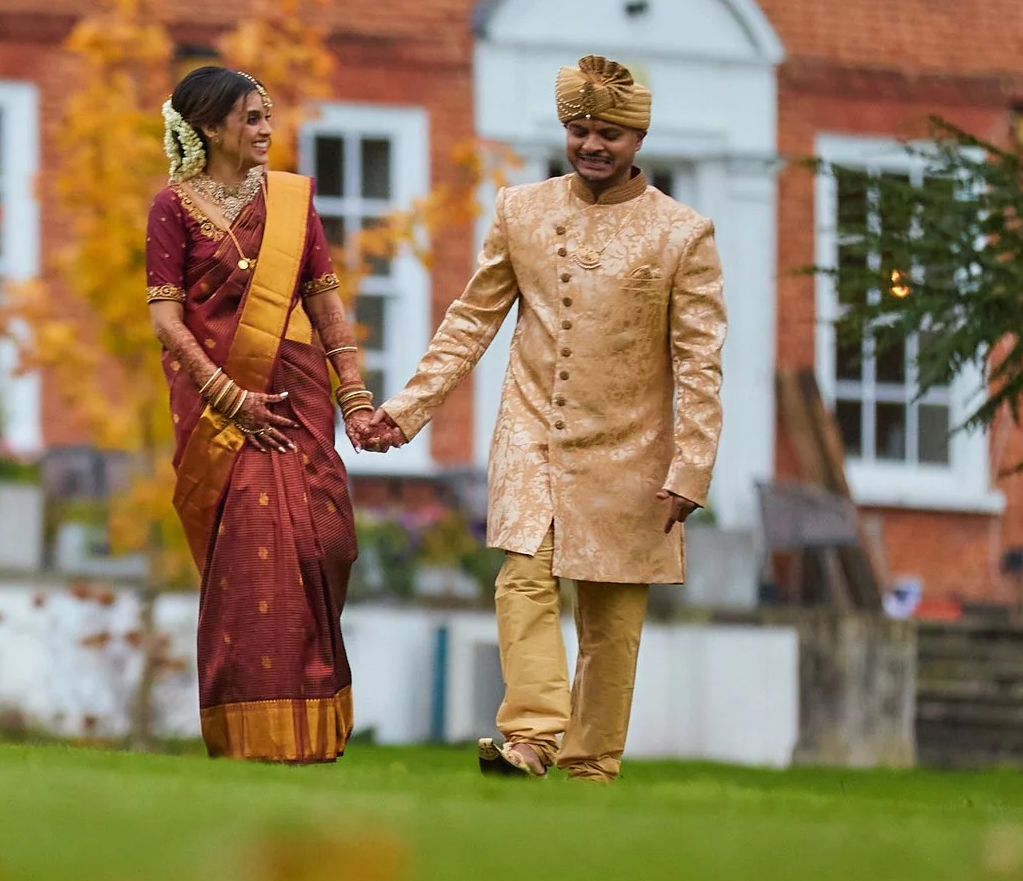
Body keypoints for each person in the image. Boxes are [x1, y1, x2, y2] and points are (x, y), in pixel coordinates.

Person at [352, 56, 726, 783]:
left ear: (638, 137)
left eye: (609, 134)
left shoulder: (684, 234)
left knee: (611, 620)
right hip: (532, 433)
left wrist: (692, 466)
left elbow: (699, 362)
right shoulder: (519, 209)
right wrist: (406, 409)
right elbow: (470, 321)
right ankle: (529, 736)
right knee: (521, 577)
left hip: (634, 449)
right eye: (580, 130)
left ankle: (590, 766)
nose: (592, 145)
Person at [147, 65, 389, 762]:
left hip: (298, 400)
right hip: (226, 416)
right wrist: (228, 397)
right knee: (252, 570)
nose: (264, 130)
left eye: (267, 116)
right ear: (211, 126)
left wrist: (355, 395)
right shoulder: (171, 207)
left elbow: (324, 301)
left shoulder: (290, 203)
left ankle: (318, 723)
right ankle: (258, 738)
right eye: (251, 118)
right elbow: (167, 321)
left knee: (325, 543)